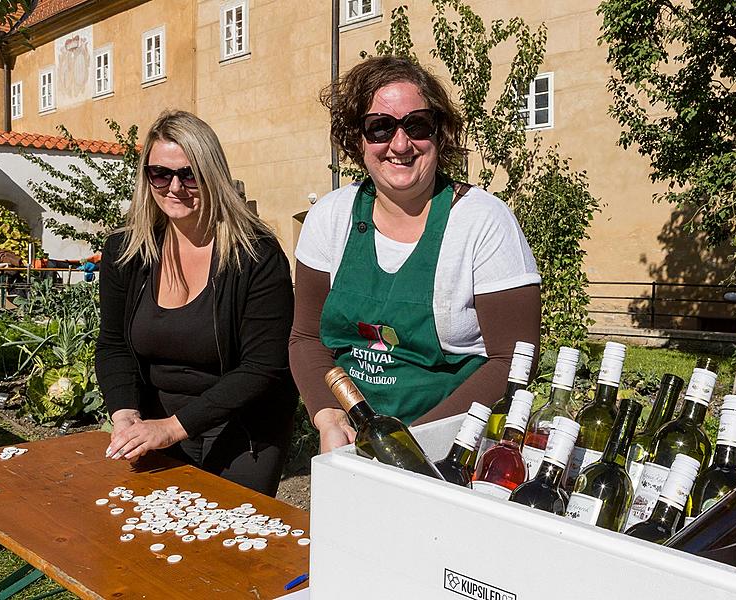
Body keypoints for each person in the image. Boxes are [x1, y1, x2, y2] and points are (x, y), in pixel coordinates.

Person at [290, 56, 542, 454]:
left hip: (454, 448)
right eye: (380, 127)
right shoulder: (330, 217)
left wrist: (409, 446)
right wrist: (327, 417)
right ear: (358, 140)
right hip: (349, 441)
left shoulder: (481, 222)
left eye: (417, 125)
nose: (400, 144)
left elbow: (513, 360)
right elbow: (306, 338)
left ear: (439, 134)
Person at [96, 110, 296, 496]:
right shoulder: (126, 251)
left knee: (229, 539)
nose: (175, 187)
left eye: (189, 174)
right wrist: (125, 415)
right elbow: (113, 344)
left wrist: (173, 427)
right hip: (156, 415)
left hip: (243, 422)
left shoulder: (255, 255)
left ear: (212, 175)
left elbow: (264, 366)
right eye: (160, 174)